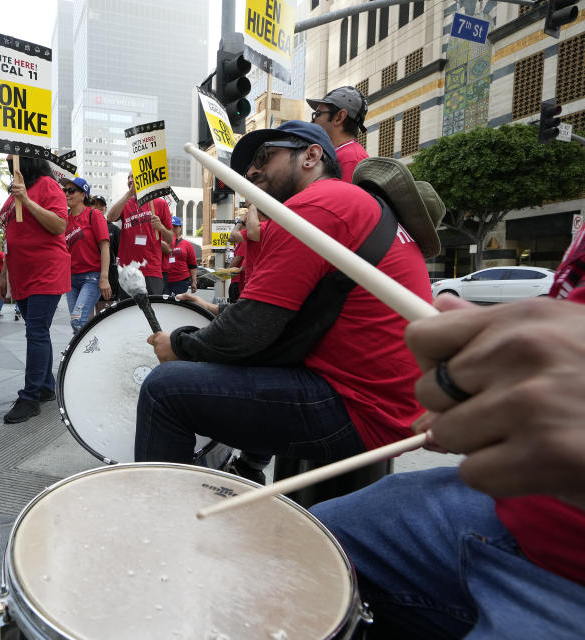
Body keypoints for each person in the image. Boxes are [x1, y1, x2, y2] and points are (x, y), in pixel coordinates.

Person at [311, 227, 585, 638]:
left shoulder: (337, 214)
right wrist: (500, 403)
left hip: (569, 574)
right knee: (308, 539)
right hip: (515, 504)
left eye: (264, 157)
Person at [134, 121, 435, 478]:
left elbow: (250, 330)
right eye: (248, 166)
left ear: (311, 156)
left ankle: (157, 523)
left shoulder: (316, 207)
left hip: (361, 409)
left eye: (264, 155)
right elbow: (281, 315)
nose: (252, 171)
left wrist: (180, 345)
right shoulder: (346, 204)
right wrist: (218, 309)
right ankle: (247, 469)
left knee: (164, 390)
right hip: (386, 402)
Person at [0, 155, 69, 423]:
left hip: (45, 270)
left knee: (36, 331)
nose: (7, 157)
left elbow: (59, 225)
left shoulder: (47, 185)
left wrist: (26, 200)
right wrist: (4, 275)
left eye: (12, 153)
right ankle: (46, 387)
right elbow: (10, 237)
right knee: (39, 331)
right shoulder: (12, 191)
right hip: (21, 274)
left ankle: (30, 398)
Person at [106, 171, 173, 296]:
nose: (130, 180)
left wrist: (161, 228)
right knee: (128, 312)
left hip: (151, 270)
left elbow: (169, 239)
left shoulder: (159, 203)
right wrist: (129, 194)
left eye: (134, 177)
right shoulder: (125, 204)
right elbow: (110, 218)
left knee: (151, 312)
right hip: (127, 272)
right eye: (129, 177)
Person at [63, 177, 110, 333]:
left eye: (71, 190)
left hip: (91, 278)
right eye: (65, 190)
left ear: (83, 195)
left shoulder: (94, 215)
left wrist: (104, 277)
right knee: (79, 327)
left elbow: (105, 246)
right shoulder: (64, 220)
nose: (67, 194)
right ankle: (89, 354)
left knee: (77, 320)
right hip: (71, 280)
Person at [306, 86, 369, 183]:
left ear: (339, 117)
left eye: (318, 113)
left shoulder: (350, 159)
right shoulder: (342, 154)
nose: (311, 121)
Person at [161, 216, 198, 296]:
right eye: (169, 227)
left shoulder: (187, 245)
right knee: (164, 304)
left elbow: (193, 265)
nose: (172, 229)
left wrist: (194, 282)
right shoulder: (162, 243)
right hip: (164, 280)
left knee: (179, 304)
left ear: (180, 227)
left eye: (174, 226)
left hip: (181, 280)